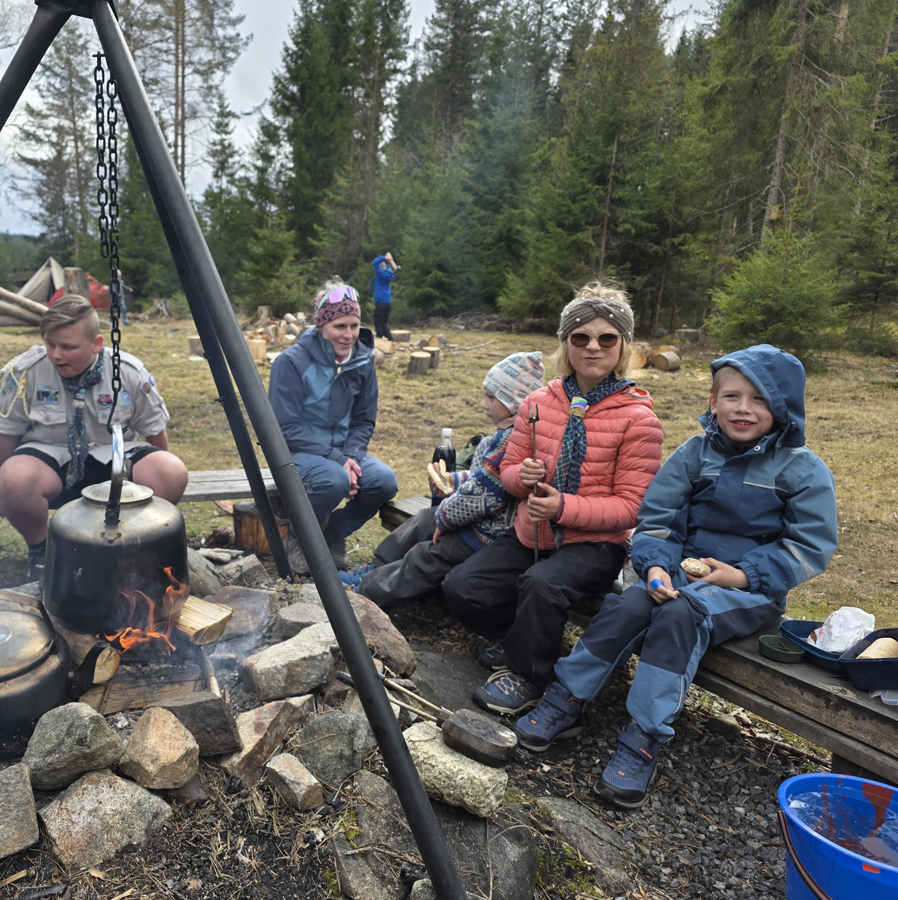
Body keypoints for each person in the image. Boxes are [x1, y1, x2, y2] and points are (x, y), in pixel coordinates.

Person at [511, 345, 837, 809]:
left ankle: (643, 735)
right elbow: (658, 519)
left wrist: (742, 575)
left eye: (760, 399)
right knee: (628, 605)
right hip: (679, 575)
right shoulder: (695, 454)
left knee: (681, 615)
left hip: (750, 593)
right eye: (732, 396)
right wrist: (655, 565)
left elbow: (809, 546)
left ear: (784, 407)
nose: (743, 409)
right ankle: (567, 696)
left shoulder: (803, 470)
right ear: (713, 401)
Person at [444, 283, 664, 715]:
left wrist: (563, 507)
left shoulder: (639, 419)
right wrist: (520, 477)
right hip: (532, 533)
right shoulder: (537, 402)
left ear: (623, 346)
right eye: (581, 337)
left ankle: (529, 676)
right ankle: (517, 639)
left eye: (607, 338)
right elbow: (508, 472)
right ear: (566, 343)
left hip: (594, 546)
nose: (593, 347)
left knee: (541, 585)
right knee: (462, 587)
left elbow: (631, 507)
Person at [0, 297, 189, 575]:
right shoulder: (26, 372)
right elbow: (6, 432)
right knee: (13, 479)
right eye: (50, 344)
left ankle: (131, 547)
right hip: (51, 458)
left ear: (97, 344)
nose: (56, 354)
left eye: (68, 347)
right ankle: (43, 552)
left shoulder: (128, 372)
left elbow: (155, 431)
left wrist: (161, 475)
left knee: (171, 471)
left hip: (113, 459)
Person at [340, 351, 545, 608]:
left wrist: (445, 518)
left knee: (427, 555)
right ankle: (376, 568)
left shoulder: (511, 440)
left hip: (491, 533)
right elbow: (483, 478)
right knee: (423, 520)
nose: (484, 405)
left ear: (514, 401)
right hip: (482, 521)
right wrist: (454, 480)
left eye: (492, 398)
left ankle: (365, 592)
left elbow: (482, 497)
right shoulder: (507, 433)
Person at [268, 280, 398, 576]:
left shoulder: (363, 360)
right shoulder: (291, 362)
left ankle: (334, 533)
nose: (349, 335)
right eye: (340, 326)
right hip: (297, 452)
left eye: (354, 325)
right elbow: (283, 428)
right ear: (321, 325)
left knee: (384, 481)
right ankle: (299, 537)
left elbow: (364, 420)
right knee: (334, 479)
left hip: (343, 452)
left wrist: (350, 456)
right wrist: (339, 461)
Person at [371, 253, 396, 340]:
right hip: (388, 301)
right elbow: (388, 267)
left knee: (378, 320)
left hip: (380, 300)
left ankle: (379, 336)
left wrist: (384, 258)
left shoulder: (380, 273)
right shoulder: (389, 273)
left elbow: (374, 263)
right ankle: (389, 337)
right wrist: (388, 260)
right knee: (384, 322)